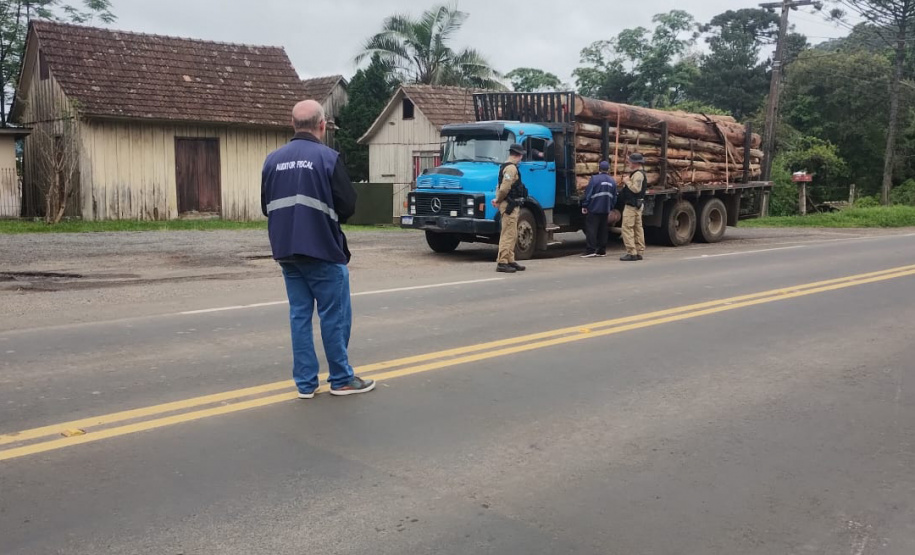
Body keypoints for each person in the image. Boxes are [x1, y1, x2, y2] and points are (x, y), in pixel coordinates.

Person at [261, 100, 375, 399]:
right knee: (334, 316)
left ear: (293, 124)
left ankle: (305, 384)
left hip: (286, 251)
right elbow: (348, 204)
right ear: (322, 125)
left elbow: (266, 206)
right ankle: (341, 378)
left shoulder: (272, 161)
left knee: (299, 316)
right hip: (322, 249)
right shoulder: (327, 158)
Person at [491, 143, 528, 273]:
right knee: (508, 233)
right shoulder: (511, 168)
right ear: (519, 155)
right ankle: (502, 262)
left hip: (511, 204)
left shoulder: (507, 167)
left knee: (512, 233)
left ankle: (510, 260)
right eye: (521, 155)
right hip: (509, 205)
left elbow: (500, 186)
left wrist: (498, 199)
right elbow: (504, 188)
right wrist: (498, 200)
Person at [580, 160, 618, 258]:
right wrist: (611, 207)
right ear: (608, 169)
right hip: (605, 209)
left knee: (592, 229)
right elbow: (614, 197)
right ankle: (602, 251)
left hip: (594, 208)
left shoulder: (594, 179)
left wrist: (585, 205)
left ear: (599, 168)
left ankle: (590, 250)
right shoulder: (612, 180)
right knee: (603, 229)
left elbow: (588, 194)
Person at [619, 153, 647, 262]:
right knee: (637, 228)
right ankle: (639, 251)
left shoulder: (638, 175)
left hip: (632, 205)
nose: (629, 163)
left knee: (627, 228)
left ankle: (632, 252)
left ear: (635, 163)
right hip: (637, 205)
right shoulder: (638, 173)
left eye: (630, 162)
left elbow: (636, 189)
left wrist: (627, 181)